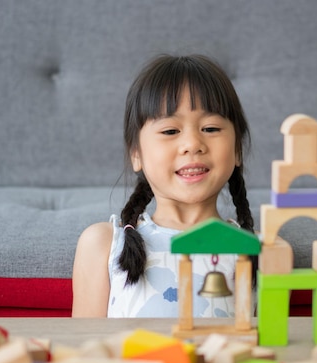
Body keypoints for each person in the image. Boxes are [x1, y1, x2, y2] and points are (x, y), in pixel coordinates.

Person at [71, 54, 255, 318]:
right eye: (170, 131)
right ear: (136, 152)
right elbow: (85, 352)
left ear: (237, 149)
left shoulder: (261, 251)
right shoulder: (105, 245)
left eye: (211, 128)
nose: (192, 143)